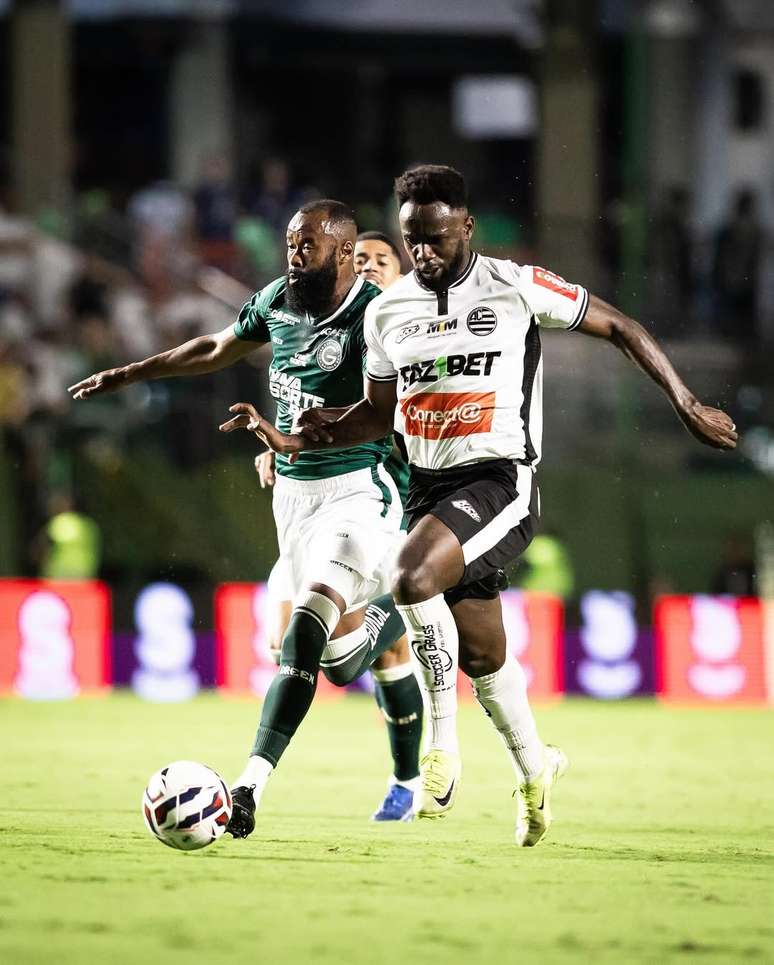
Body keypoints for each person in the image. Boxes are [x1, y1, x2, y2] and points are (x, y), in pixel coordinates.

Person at [225, 164, 737, 846]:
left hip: (499, 480)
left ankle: (442, 749)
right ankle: (535, 768)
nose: (424, 253)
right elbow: (375, 415)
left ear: (466, 227)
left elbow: (618, 325)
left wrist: (687, 402)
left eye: (436, 238)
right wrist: (292, 437)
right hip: (428, 488)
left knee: (411, 575)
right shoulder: (389, 311)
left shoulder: (515, 285)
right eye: (413, 240)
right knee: (483, 656)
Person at [69, 200, 413, 839]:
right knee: (336, 662)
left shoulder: (376, 314)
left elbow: (385, 413)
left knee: (304, 631)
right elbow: (215, 347)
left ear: (343, 252)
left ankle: (249, 787)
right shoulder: (278, 299)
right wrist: (131, 372)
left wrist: (291, 441)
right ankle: (396, 608)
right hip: (293, 500)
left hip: (356, 495)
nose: (294, 253)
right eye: (291, 242)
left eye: (308, 244)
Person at [254, 229, 423, 822]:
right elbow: (303, 404)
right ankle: (400, 608)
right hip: (315, 510)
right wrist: (281, 448)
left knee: (360, 657)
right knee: (290, 645)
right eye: (360, 259)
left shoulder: (410, 338)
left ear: (402, 276)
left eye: (382, 260)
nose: (369, 267)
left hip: (385, 507)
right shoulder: (338, 334)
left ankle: (406, 782)